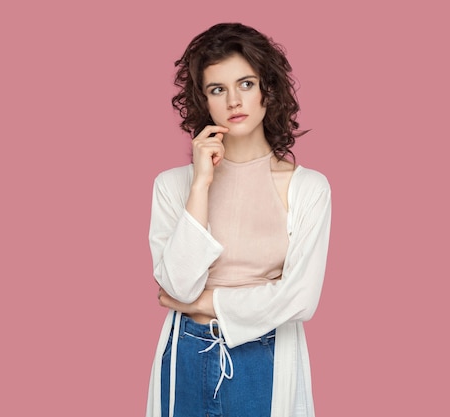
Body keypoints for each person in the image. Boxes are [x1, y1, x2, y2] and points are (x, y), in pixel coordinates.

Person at [145, 22, 332, 417]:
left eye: (246, 84)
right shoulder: (173, 186)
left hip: (264, 357)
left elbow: (299, 298)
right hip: (186, 354)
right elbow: (177, 283)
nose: (234, 100)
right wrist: (201, 186)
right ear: (204, 102)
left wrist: (204, 302)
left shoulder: (307, 188)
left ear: (268, 89)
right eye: (218, 89)